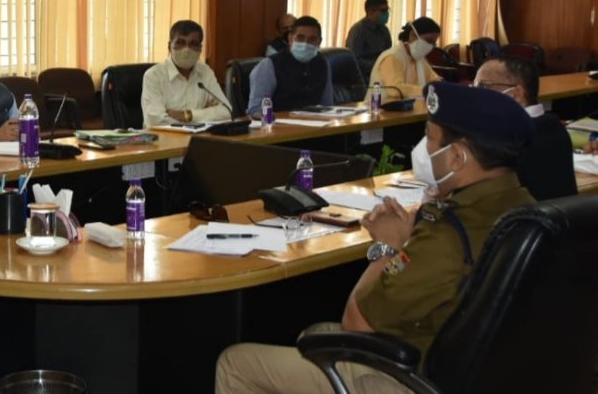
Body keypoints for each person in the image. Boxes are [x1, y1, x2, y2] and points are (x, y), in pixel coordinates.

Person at [216, 81, 536, 393]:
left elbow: (357, 323)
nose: (423, 149)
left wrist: (388, 246)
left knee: (236, 363)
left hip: (417, 377)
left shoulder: (448, 234)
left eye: (429, 138)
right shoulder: (528, 209)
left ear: (457, 158)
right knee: (315, 334)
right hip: (490, 372)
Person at [474, 56, 577, 200]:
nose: (474, 94)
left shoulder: (507, 139)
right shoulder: (553, 126)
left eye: (483, 86)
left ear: (516, 93)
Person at [141, 20, 232, 127]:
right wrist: (205, 115)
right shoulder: (153, 76)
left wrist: (188, 115)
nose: (187, 49)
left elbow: (227, 111)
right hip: (163, 137)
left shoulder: (205, 72)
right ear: (169, 46)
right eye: (180, 42)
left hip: (199, 136)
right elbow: (156, 121)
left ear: (200, 49)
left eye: (193, 44)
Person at [246, 15, 334, 117]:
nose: (305, 43)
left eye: (312, 39)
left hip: (316, 123)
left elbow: (327, 105)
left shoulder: (323, 63)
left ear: (319, 42)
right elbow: (256, 109)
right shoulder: (269, 65)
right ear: (290, 38)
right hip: (278, 124)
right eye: (300, 38)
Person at [364, 17, 443, 103]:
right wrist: (426, 90)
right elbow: (395, 89)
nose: (431, 46)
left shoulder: (419, 60)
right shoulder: (392, 57)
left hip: (409, 108)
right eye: (428, 41)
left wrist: (443, 87)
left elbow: (434, 79)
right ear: (412, 35)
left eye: (433, 43)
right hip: (380, 108)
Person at [346, 0, 393, 78]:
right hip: (362, 76)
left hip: (380, 73)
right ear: (371, 12)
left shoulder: (384, 30)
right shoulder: (359, 30)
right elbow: (354, 60)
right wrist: (377, 65)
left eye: (387, 10)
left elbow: (388, 53)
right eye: (383, 11)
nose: (386, 14)